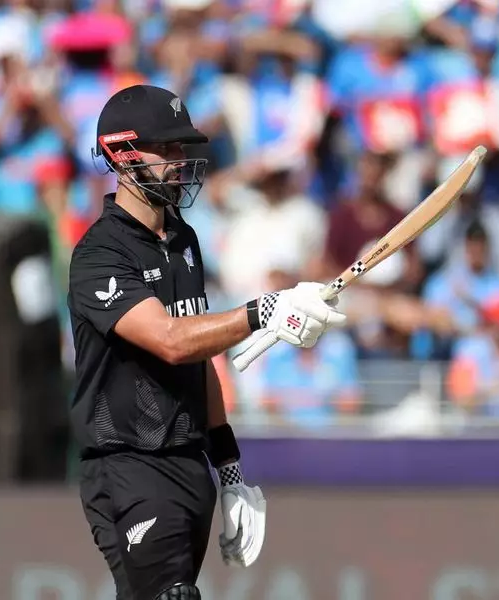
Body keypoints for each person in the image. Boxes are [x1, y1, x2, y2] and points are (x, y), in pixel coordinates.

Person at [66, 84, 346, 600]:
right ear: (123, 155)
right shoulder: (99, 254)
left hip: (190, 467)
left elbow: (198, 358)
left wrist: (231, 470)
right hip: (131, 466)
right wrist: (262, 311)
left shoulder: (183, 239)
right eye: (167, 149)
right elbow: (171, 340)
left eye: (182, 149)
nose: (180, 161)